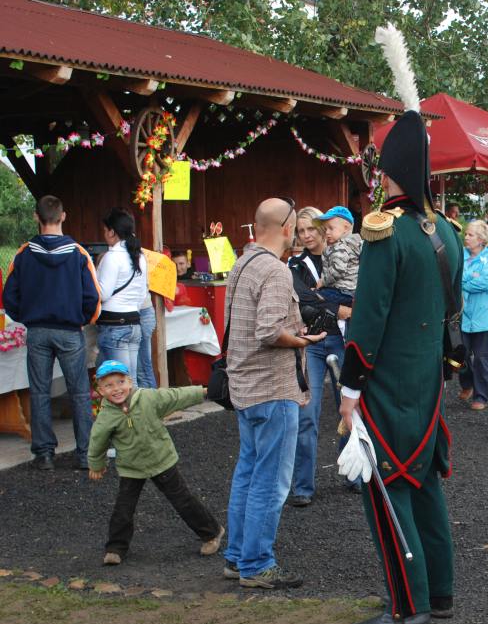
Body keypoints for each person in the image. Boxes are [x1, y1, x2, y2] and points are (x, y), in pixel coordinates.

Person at [336, 96, 461, 624]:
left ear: (391, 175)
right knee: (425, 484)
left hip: (387, 382)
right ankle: (439, 590)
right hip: (428, 381)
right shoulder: (449, 233)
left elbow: (368, 319)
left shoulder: (385, 232)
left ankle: (408, 608)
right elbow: (449, 311)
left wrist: (349, 386)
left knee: (384, 488)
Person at [223, 197, 325, 590]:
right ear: (285, 227)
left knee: (248, 473)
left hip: (245, 387)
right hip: (272, 389)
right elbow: (268, 331)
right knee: (272, 481)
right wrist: (302, 340)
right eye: (296, 225)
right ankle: (256, 564)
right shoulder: (277, 272)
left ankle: (237, 557)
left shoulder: (242, 263)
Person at [87, 360, 223, 566]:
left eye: (120, 382)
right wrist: (96, 464)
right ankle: (115, 547)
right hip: (131, 467)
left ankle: (212, 532)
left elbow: (175, 396)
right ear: (100, 390)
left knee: (182, 500)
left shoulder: (148, 398)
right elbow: (97, 442)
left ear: (130, 381)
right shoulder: (105, 417)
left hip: (161, 460)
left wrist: (202, 391)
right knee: (123, 509)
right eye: (109, 385)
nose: (116, 389)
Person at [3, 195, 101, 470]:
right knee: (80, 393)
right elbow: (93, 297)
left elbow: (9, 296)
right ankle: (85, 454)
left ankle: (44, 454)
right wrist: (82, 320)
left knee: (40, 392)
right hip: (70, 330)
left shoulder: (23, 254)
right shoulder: (78, 254)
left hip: (37, 330)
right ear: (63, 216)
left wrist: (25, 318)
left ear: (36, 217)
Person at [286, 206, 352, 507]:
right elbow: (302, 301)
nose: (307, 235)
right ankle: (303, 486)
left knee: (348, 409)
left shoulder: (344, 253)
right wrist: (337, 307)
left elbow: (358, 291)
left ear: (323, 227)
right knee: (306, 415)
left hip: (341, 340)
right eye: (300, 231)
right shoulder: (295, 263)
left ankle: (353, 472)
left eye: (311, 228)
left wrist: (325, 299)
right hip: (311, 342)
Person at [96, 208, 148, 384]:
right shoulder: (140, 256)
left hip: (113, 324)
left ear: (112, 232)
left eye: (105, 230)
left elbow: (103, 294)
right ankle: (134, 411)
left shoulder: (111, 257)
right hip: (134, 322)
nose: (104, 234)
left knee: (119, 381)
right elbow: (142, 294)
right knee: (130, 380)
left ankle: (126, 412)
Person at [458, 220, 488, 410]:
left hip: (485, 317)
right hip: (463, 315)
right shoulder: (461, 255)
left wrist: (465, 281)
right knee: (461, 355)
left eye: (470, 235)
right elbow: (454, 277)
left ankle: (480, 396)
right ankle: (467, 384)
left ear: (481, 239)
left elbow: (487, 282)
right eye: (466, 234)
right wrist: (471, 278)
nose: (466, 237)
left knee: (482, 359)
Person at [316, 206, 362, 317]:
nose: (327, 232)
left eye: (331, 228)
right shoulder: (353, 245)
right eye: (325, 229)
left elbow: (337, 270)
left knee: (315, 297)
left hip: (342, 291)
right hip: (351, 291)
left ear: (346, 228)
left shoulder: (340, 247)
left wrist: (323, 282)